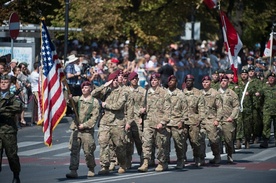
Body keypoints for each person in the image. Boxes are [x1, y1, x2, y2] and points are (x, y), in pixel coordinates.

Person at [91, 71, 128, 175]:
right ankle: (104, 166)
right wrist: (104, 85)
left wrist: (105, 105)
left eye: (116, 80)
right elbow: (93, 94)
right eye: (113, 80)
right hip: (105, 122)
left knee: (119, 145)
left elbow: (118, 106)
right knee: (103, 143)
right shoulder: (106, 90)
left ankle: (122, 164)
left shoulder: (123, 91)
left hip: (118, 122)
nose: (115, 82)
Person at [65, 81, 100, 178]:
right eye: (82, 88)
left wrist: (84, 125)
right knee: (74, 151)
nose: (84, 89)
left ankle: (91, 168)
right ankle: (73, 170)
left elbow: (94, 118)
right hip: (76, 129)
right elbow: (69, 102)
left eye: (86, 87)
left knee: (88, 151)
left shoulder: (94, 102)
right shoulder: (77, 99)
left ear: (91, 89)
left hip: (87, 131)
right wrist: (68, 96)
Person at [138, 72, 169, 172]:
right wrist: (142, 110)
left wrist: (163, 122)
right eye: (152, 80)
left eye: (155, 80)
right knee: (146, 143)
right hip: (148, 122)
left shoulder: (164, 93)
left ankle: (162, 162)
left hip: (159, 123)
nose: (153, 82)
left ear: (159, 81)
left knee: (160, 145)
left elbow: (168, 110)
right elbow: (143, 105)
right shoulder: (147, 92)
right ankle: (146, 162)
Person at [0, 74, 23, 183]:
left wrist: (3, 110)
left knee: (12, 155)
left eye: (5, 82)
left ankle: (16, 174)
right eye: (1, 82)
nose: (3, 83)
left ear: (10, 84)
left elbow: (17, 108)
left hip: (8, 130)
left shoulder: (13, 97)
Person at [164, 75, 188, 169]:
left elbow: (185, 110)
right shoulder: (164, 93)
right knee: (164, 143)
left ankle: (180, 160)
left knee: (178, 143)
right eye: (169, 80)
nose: (170, 82)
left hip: (176, 121)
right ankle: (165, 161)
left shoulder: (180, 94)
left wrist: (182, 121)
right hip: (166, 122)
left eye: (173, 80)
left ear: (176, 83)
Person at [198, 75, 222, 164]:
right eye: (203, 82)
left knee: (213, 140)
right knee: (200, 139)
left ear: (210, 83)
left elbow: (219, 107)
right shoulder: (199, 93)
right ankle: (201, 158)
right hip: (201, 120)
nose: (205, 84)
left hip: (212, 119)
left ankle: (217, 155)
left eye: (207, 82)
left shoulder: (215, 93)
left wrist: (217, 119)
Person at [124, 71, 146, 169]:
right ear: (130, 80)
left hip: (138, 119)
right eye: (133, 79)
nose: (134, 80)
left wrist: (144, 111)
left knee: (139, 140)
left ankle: (143, 160)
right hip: (127, 118)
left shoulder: (142, 91)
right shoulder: (125, 91)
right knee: (128, 141)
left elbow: (147, 104)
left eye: (136, 78)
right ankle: (128, 161)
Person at [183, 74, 204, 166]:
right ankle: (182, 158)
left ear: (193, 82)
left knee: (195, 141)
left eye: (190, 80)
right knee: (181, 141)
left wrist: (200, 119)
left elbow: (201, 108)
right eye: (187, 80)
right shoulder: (181, 93)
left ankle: (197, 157)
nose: (188, 82)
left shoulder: (198, 93)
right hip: (183, 121)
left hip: (194, 121)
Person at [218, 75, 239, 163]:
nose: (223, 82)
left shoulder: (232, 93)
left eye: (225, 80)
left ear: (228, 82)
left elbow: (236, 106)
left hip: (228, 119)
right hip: (218, 119)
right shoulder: (215, 93)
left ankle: (229, 155)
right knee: (215, 139)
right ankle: (217, 156)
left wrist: (232, 117)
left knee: (228, 140)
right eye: (222, 80)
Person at [235, 69, 253, 149]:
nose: (244, 76)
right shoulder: (237, 84)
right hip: (239, 108)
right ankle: (238, 140)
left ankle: (247, 140)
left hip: (248, 108)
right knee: (239, 125)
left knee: (247, 125)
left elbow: (256, 92)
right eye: (242, 74)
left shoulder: (250, 84)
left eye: (245, 74)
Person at [260, 73, 276, 148]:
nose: (271, 79)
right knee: (266, 125)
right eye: (269, 78)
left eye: (272, 78)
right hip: (267, 110)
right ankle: (265, 141)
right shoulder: (264, 88)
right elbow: (261, 99)